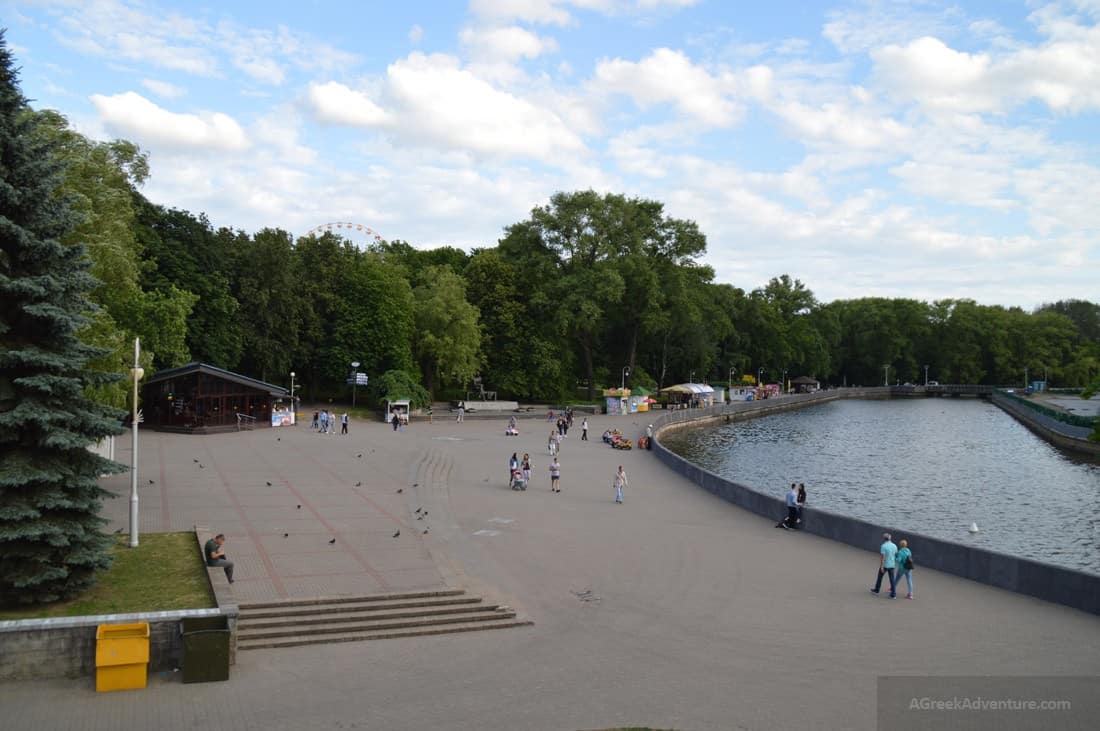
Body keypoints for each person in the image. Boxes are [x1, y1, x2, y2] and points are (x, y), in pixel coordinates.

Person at [871, 532, 899, 598]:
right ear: (890, 538)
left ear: (884, 539)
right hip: (892, 564)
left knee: (880, 577)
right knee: (892, 579)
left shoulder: (883, 546)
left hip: (885, 565)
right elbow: (896, 555)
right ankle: (893, 594)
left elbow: (882, 557)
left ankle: (876, 590)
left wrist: (881, 566)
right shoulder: (894, 545)